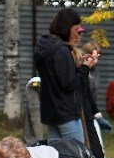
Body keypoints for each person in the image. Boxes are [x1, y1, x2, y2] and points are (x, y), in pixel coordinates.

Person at [34, 8, 86, 143]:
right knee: (78, 156)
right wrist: (84, 69)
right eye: (75, 29)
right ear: (66, 28)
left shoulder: (46, 47)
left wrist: (76, 66)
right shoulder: (61, 50)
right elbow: (68, 83)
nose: (77, 34)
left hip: (51, 112)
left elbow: (57, 76)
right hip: (66, 113)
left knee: (56, 157)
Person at [77, 40, 114, 158]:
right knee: (93, 152)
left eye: (97, 57)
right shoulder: (83, 72)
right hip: (84, 116)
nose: (96, 61)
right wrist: (95, 113)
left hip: (91, 114)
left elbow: (91, 97)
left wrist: (97, 114)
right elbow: (85, 96)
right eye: (93, 58)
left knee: (99, 152)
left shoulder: (94, 72)